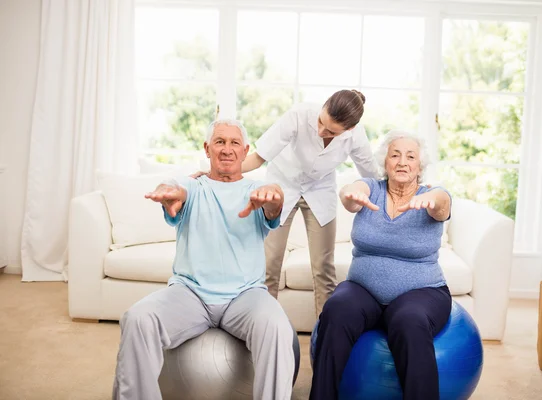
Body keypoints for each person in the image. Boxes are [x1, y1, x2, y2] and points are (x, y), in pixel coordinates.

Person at [112, 120, 296, 400]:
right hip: (190, 294)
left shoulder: (257, 191)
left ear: (245, 151)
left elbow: (274, 203)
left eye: (234, 143)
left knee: (278, 327)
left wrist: (274, 198)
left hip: (246, 296)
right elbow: (176, 187)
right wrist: (168, 192)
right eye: (219, 142)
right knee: (138, 318)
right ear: (207, 148)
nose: (227, 149)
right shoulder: (193, 187)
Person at [192, 90, 379, 316]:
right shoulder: (299, 114)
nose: (321, 131)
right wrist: (217, 171)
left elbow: (373, 177)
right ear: (323, 106)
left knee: (323, 269)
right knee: (269, 265)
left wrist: (410, 189)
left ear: (348, 129)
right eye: (321, 122)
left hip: (320, 191)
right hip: (281, 186)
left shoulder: (356, 136)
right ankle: (262, 324)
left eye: (330, 131)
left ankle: (326, 337)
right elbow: (259, 157)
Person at [310, 130, 453, 400]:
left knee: (409, 321)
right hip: (363, 290)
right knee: (336, 309)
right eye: (395, 155)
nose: (402, 162)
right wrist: (350, 193)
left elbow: (442, 205)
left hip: (422, 291)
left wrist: (432, 202)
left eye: (411, 156)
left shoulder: (433, 195)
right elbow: (352, 193)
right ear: (385, 162)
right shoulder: (371, 189)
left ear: (419, 165)